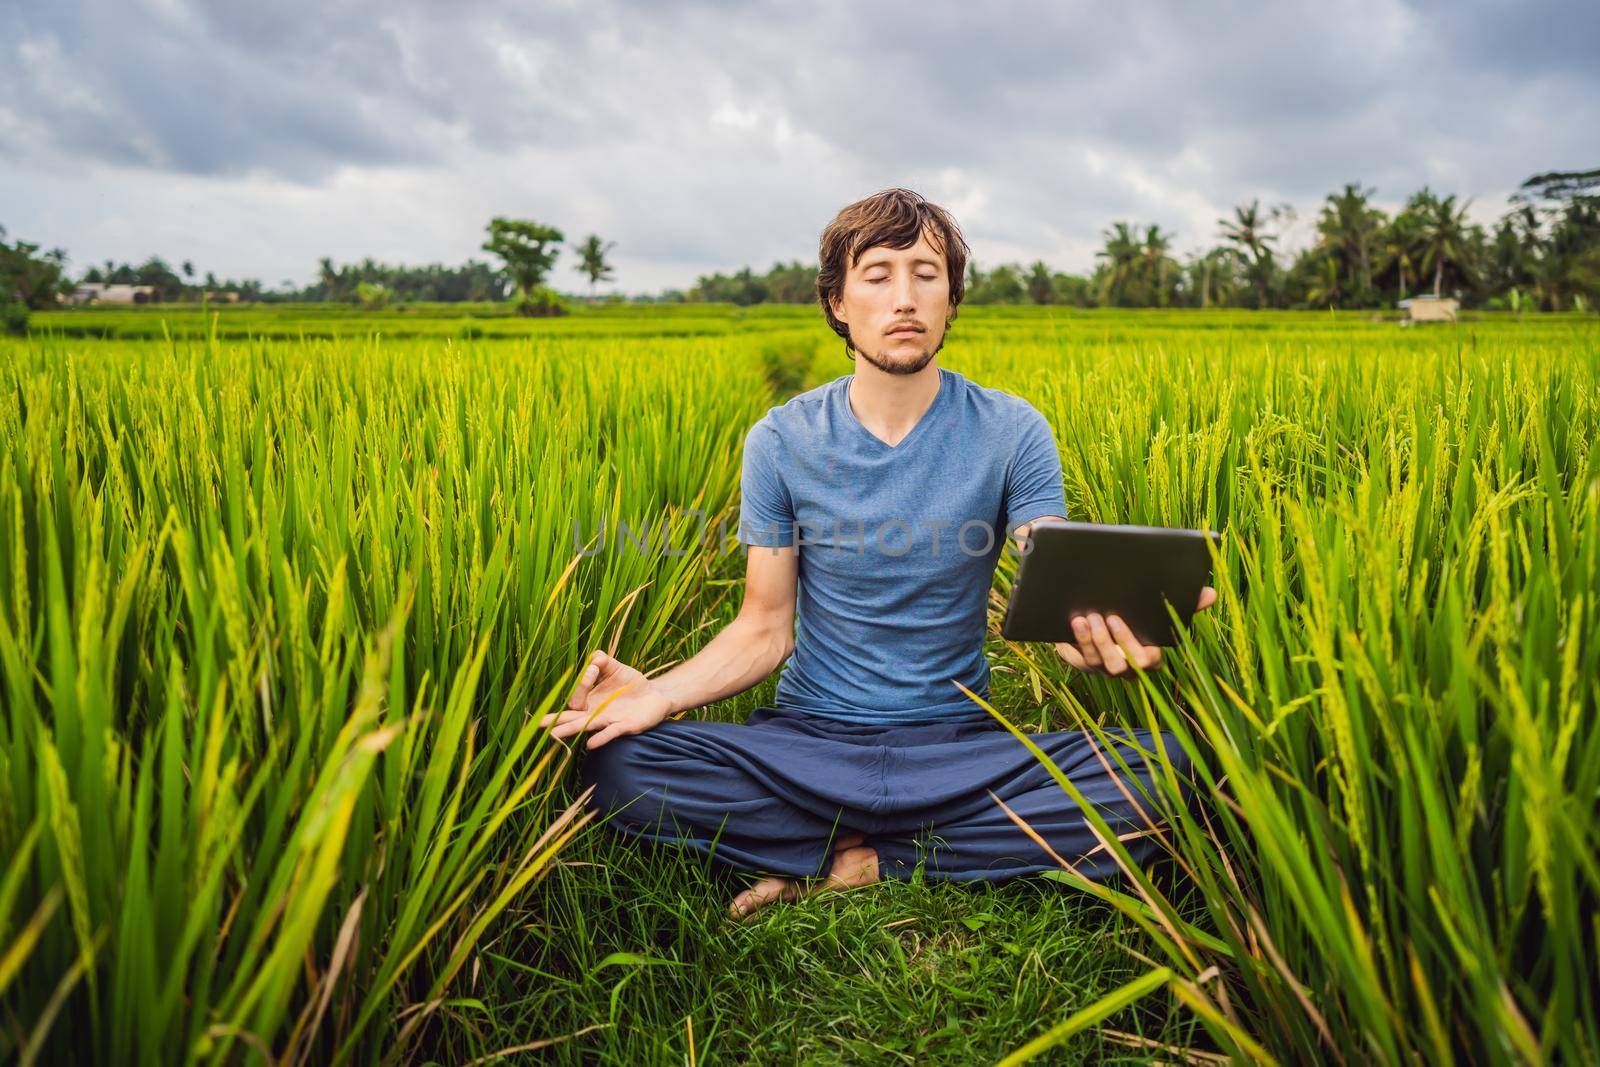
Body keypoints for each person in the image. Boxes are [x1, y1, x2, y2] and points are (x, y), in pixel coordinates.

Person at [539, 188, 1215, 921]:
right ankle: (930, 848)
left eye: (927, 274)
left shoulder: (1012, 430)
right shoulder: (781, 439)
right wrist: (660, 694)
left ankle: (856, 858)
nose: (906, 297)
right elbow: (764, 628)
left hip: (958, 746)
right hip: (809, 744)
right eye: (878, 274)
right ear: (836, 301)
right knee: (619, 761)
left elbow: (1051, 571)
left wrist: (1086, 637)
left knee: (1173, 770)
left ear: (952, 299)